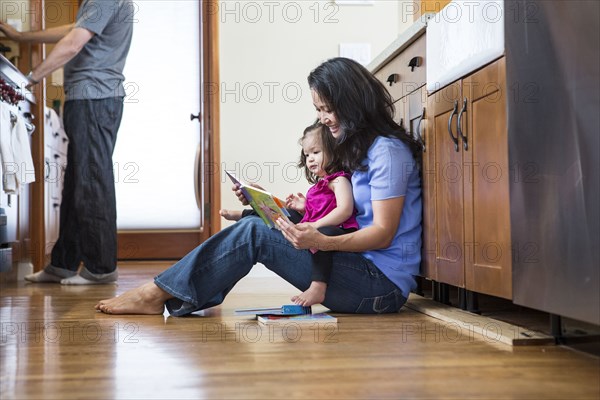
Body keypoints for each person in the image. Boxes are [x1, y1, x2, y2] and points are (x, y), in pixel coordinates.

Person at [95, 57, 422, 315]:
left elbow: (382, 233)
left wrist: (322, 240)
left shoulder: (387, 151)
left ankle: (156, 294)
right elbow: (338, 217)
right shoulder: (362, 150)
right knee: (257, 220)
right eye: (318, 110)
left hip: (379, 287)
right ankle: (171, 294)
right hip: (359, 268)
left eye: (327, 109)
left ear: (352, 103)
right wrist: (268, 204)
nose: (322, 118)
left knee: (254, 235)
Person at [0, 0, 134, 285]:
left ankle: (101, 268)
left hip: (94, 99)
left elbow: (74, 42)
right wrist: (23, 37)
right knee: (76, 183)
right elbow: (76, 28)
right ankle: (63, 263)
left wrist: (29, 79)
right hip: (89, 99)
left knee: (91, 182)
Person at [220, 121, 359, 307]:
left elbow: (344, 210)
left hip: (335, 232)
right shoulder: (320, 185)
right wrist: (302, 206)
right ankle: (245, 213)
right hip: (315, 226)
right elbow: (315, 210)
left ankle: (318, 287)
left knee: (325, 231)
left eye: (316, 152)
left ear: (334, 150)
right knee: (285, 214)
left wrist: (315, 226)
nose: (310, 159)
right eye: (307, 154)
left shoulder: (339, 180)